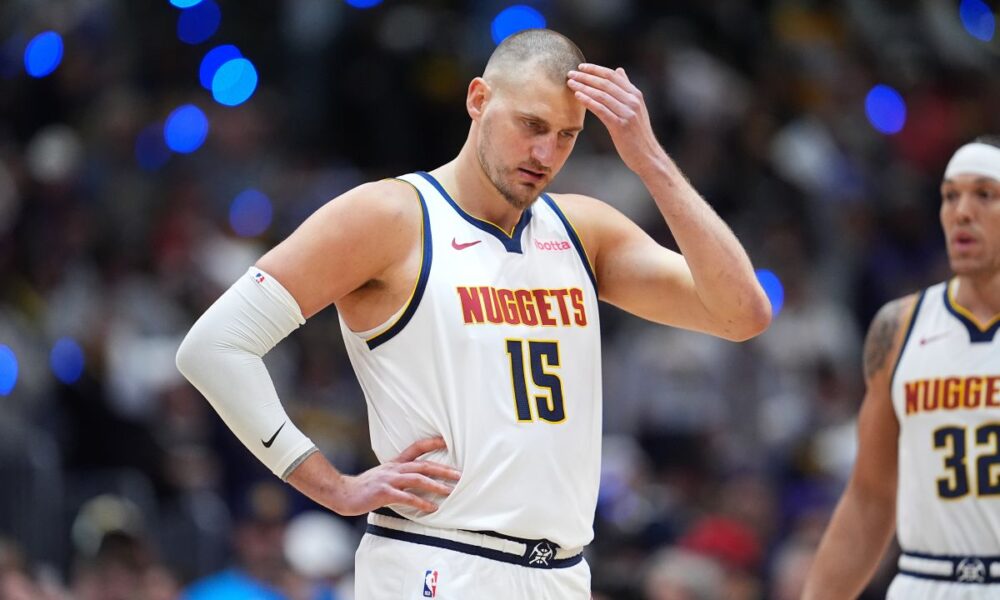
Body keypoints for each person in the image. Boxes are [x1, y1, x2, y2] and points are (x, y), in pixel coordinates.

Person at [176, 29, 770, 599]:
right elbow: (215, 347)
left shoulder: (584, 230)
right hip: (439, 560)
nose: (545, 153)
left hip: (562, 572)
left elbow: (743, 313)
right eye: (532, 125)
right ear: (479, 100)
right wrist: (328, 485)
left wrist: (651, 162)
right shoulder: (391, 216)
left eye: (566, 135)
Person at [802, 136, 1000, 599]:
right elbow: (870, 498)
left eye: (984, 194)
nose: (961, 212)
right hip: (925, 581)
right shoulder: (899, 328)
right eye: (951, 195)